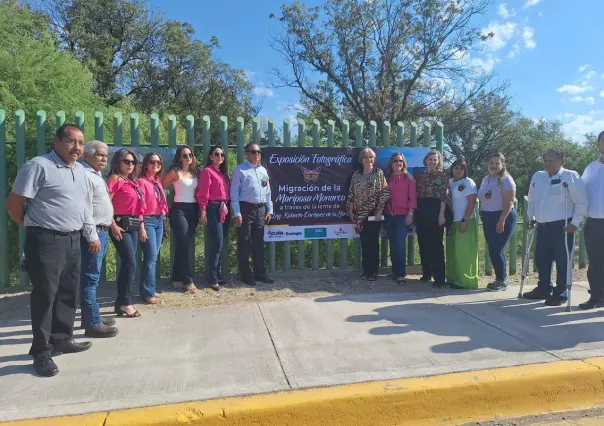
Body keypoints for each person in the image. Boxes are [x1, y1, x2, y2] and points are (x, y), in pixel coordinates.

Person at [5, 124, 96, 377]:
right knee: (45, 297)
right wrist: (33, 225)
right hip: (45, 241)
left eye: (80, 142)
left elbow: (83, 206)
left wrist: (87, 233)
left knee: (67, 293)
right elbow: (14, 204)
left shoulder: (79, 170)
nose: (76, 147)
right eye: (70, 141)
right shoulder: (38, 166)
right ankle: (41, 352)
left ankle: (62, 339)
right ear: (57, 141)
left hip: (73, 239)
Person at [524, 149, 587, 306]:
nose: (547, 164)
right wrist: (531, 217)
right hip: (542, 225)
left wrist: (575, 222)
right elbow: (531, 199)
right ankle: (544, 288)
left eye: (551, 161)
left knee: (562, 260)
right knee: (541, 259)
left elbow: (581, 202)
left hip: (562, 226)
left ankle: (561, 292)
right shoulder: (538, 176)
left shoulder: (570, 176)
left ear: (561, 161)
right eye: (545, 160)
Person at [80, 140, 119, 338]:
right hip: (93, 231)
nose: (104, 158)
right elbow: (85, 209)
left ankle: (90, 316)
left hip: (100, 230)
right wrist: (92, 236)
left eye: (105, 155)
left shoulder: (95, 174)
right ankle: (92, 324)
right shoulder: (85, 175)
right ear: (86, 156)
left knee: (91, 277)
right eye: (99, 154)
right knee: (90, 278)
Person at [107, 148, 145, 318]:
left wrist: (142, 226)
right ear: (118, 162)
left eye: (133, 162)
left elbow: (138, 207)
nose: (131, 165)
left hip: (133, 223)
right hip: (119, 223)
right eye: (127, 161)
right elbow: (105, 203)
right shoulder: (115, 179)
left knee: (128, 263)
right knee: (130, 262)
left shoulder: (132, 181)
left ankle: (120, 303)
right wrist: (112, 224)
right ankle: (126, 302)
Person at [230, 143, 274, 287]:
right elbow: (234, 192)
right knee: (245, 243)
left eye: (258, 152)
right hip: (245, 209)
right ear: (246, 154)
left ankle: (260, 273)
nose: (256, 154)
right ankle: (246, 275)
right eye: (253, 152)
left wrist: (269, 209)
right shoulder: (240, 170)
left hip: (260, 209)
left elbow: (267, 192)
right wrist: (237, 212)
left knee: (259, 243)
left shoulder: (263, 170)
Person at [347, 148, 391, 281]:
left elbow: (385, 192)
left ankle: (373, 272)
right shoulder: (356, 175)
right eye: (366, 157)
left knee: (373, 243)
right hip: (360, 214)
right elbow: (351, 193)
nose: (369, 160)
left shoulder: (378, 173)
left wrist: (379, 211)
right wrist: (350, 210)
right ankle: (366, 271)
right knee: (365, 243)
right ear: (361, 160)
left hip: (374, 213)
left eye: (371, 157)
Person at [162, 146, 200, 293]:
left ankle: (176, 277)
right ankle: (188, 279)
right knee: (184, 243)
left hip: (194, 210)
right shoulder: (174, 172)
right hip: (179, 210)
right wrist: (164, 203)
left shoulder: (195, 172)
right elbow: (159, 186)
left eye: (190, 155)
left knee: (183, 245)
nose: (188, 158)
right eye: (185, 155)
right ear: (179, 157)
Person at [477, 152, 517, 292]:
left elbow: (509, 202)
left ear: (502, 165)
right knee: (492, 249)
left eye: (497, 163)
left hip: (503, 216)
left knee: (496, 249)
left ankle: (502, 280)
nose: (493, 166)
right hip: (488, 217)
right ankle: (499, 278)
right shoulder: (485, 179)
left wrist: (501, 220)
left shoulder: (506, 180)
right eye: (491, 163)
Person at [414, 149, 452, 288]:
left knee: (436, 246)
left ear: (438, 162)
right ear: (425, 160)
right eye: (430, 159)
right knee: (423, 244)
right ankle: (426, 273)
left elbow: (444, 196)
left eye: (435, 159)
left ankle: (439, 278)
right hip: (421, 211)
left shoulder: (442, 176)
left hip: (436, 211)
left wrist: (442, 214)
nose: (432, 162)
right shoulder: (422, 176)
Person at [197, 145, 230, 291]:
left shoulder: (223, 174)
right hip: (213, 209)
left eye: (222, 155)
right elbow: (203, 193)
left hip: (224, 209)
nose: (220, 157)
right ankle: (212, 278)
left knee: (220, 243)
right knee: (217, 243)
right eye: (217, 154)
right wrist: (203, 212)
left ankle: (216, 275)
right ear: (210, 156)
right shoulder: (207, 172)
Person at [138, 152, 168, 304]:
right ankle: (148, 292)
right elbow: (139, 206)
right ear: (145, 164)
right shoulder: (141, 182)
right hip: (148, 221)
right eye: (152, 162)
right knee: (150, 257)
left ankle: (148, 288)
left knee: (153, 257)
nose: (156, 164)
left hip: (158, 220)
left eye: (158, 162)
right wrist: (141, 226)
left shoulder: (156, 181)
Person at [579, 131, 604, 310]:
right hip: (594, 223)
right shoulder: (591, 168)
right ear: (598, 144)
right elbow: (580, 192)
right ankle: (596, 296)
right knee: (595, 262)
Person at [383, 152, 416, 285]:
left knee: (400, 244)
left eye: (400, 161)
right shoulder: (387, 179)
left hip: (403, 215)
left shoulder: (409, 179)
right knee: (393, 243)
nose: (398, 163)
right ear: (391, 163)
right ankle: (395, 271)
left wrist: (410, 214)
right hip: (389, 215)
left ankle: (401, 274)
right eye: (396, 161)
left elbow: (412, 199)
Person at [446, 160, 479, 289]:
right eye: (455, 168)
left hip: (465, 221)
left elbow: (471, 204)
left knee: (464, 252)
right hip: (451, 222)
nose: (458, 170)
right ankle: (454, 279)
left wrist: (464, 220)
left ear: (465, 170)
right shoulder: (449, 182)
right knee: (453, 252)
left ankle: (466, 281)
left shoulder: (468, 182)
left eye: (461, 168)